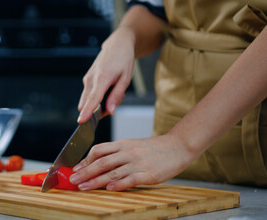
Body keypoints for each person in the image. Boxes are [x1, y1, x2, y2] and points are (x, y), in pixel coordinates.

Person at [69, 0, 267, 191]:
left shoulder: (178, 143)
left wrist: (180, 142)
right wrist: (127, 35)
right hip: (172, 130)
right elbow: (156, 9)